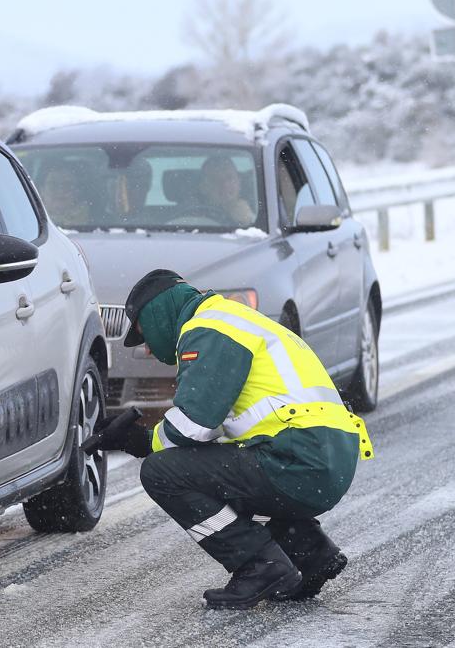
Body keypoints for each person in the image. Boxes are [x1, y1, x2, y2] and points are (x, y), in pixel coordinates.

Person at [87, 269, 373, 609]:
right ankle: (309, 553)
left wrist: (143, 441)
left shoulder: (208, 328)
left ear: (158, 314)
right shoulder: (237, 321)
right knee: (218, 469)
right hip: (327, 458)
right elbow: (215, 430)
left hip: (298, 456)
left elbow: (194, 425)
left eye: (144, 335)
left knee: (162, 472)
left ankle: (259, 565)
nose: (148, 349)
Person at [36, 160, 96, 227]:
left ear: (77, 192)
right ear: (42, 190)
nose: (60, 191)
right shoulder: (30, 220)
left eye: (67, 185)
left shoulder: (96, 222)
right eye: (53, 185)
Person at [200, 156, 256, 226]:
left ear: (239, 182)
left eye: (230, 178)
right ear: (203, 187)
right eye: (215, 179)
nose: (225, 185)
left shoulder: (258, 218)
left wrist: (247, 222)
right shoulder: (191, 219)